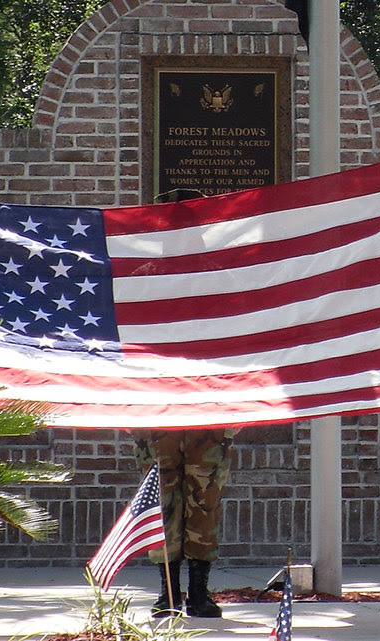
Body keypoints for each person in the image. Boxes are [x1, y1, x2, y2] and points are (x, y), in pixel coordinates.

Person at [135, 187, 234, 619]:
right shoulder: (139, 278)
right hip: (157, 406)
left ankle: (199, 592)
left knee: (205, 498)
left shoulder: (220, 279)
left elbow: (238, 339)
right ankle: (169, 592)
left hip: (208, 404)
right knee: (162, 499)